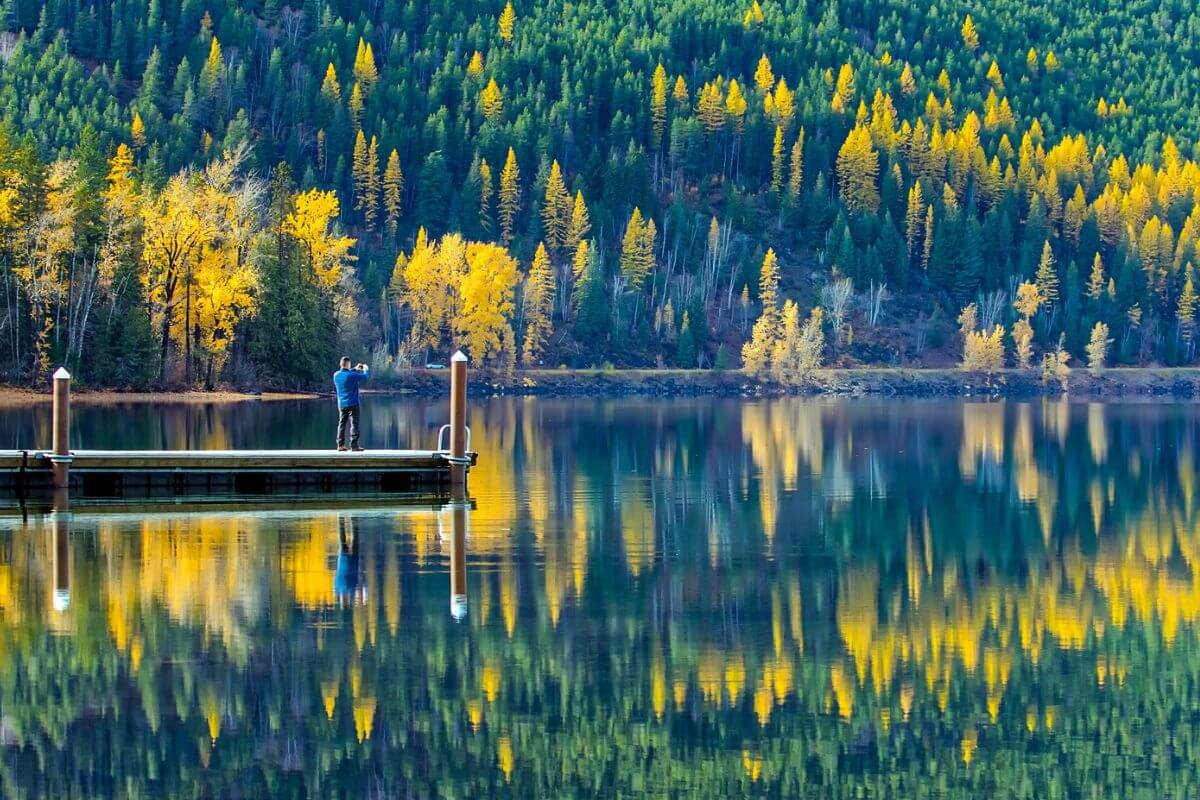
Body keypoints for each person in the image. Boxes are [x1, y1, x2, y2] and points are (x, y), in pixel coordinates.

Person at [333, 356, 370, 451]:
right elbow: (365, 376)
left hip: (341, 404)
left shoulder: (336, 375)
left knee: (341, 424)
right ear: (348, 364)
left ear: (341, 364)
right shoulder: (351, 375)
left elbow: (347, 372)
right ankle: (354, 446)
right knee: (354, 424)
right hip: (353, 403)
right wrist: (366, 369)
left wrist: (355, 368)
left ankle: (340, 445)